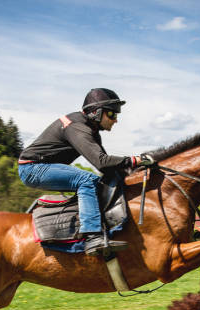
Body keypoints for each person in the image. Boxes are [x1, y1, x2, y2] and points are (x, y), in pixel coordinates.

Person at [18, 88, 153, 255]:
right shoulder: (77, 126)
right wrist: (135, 160)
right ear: (97, 112)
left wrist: (136, 168)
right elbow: (102, 162)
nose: (116, 120)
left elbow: (107, 168)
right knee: (87, 180)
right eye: (112, 114)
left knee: (98, 180)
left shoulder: (90, 130)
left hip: (41, 167)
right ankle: (92, 237)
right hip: (32, 168)